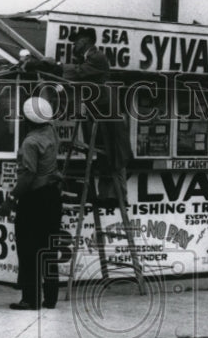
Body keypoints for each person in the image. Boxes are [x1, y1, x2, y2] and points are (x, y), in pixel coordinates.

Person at [25, 28, 130, 206]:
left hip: (108, 116)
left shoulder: (97, 57)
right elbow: (71, 76)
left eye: (77, 40)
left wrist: (54, 65)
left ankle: (119, 197)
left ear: (88, 40)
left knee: (115, 156)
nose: (74, 44)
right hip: (97, 115)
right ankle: (105, 196)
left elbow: (76, 72)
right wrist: (48, 67)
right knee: (103, 157)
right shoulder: (86, 60)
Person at [0, 96, 62, 311]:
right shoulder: (51, 132)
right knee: (49, 249)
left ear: (28, 121)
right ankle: (50, 297)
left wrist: (11, 198)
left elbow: (27, 176)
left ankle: (30, 298)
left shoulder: (30, 142)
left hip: (34, 199)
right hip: (53, 197)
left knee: (28, 249)